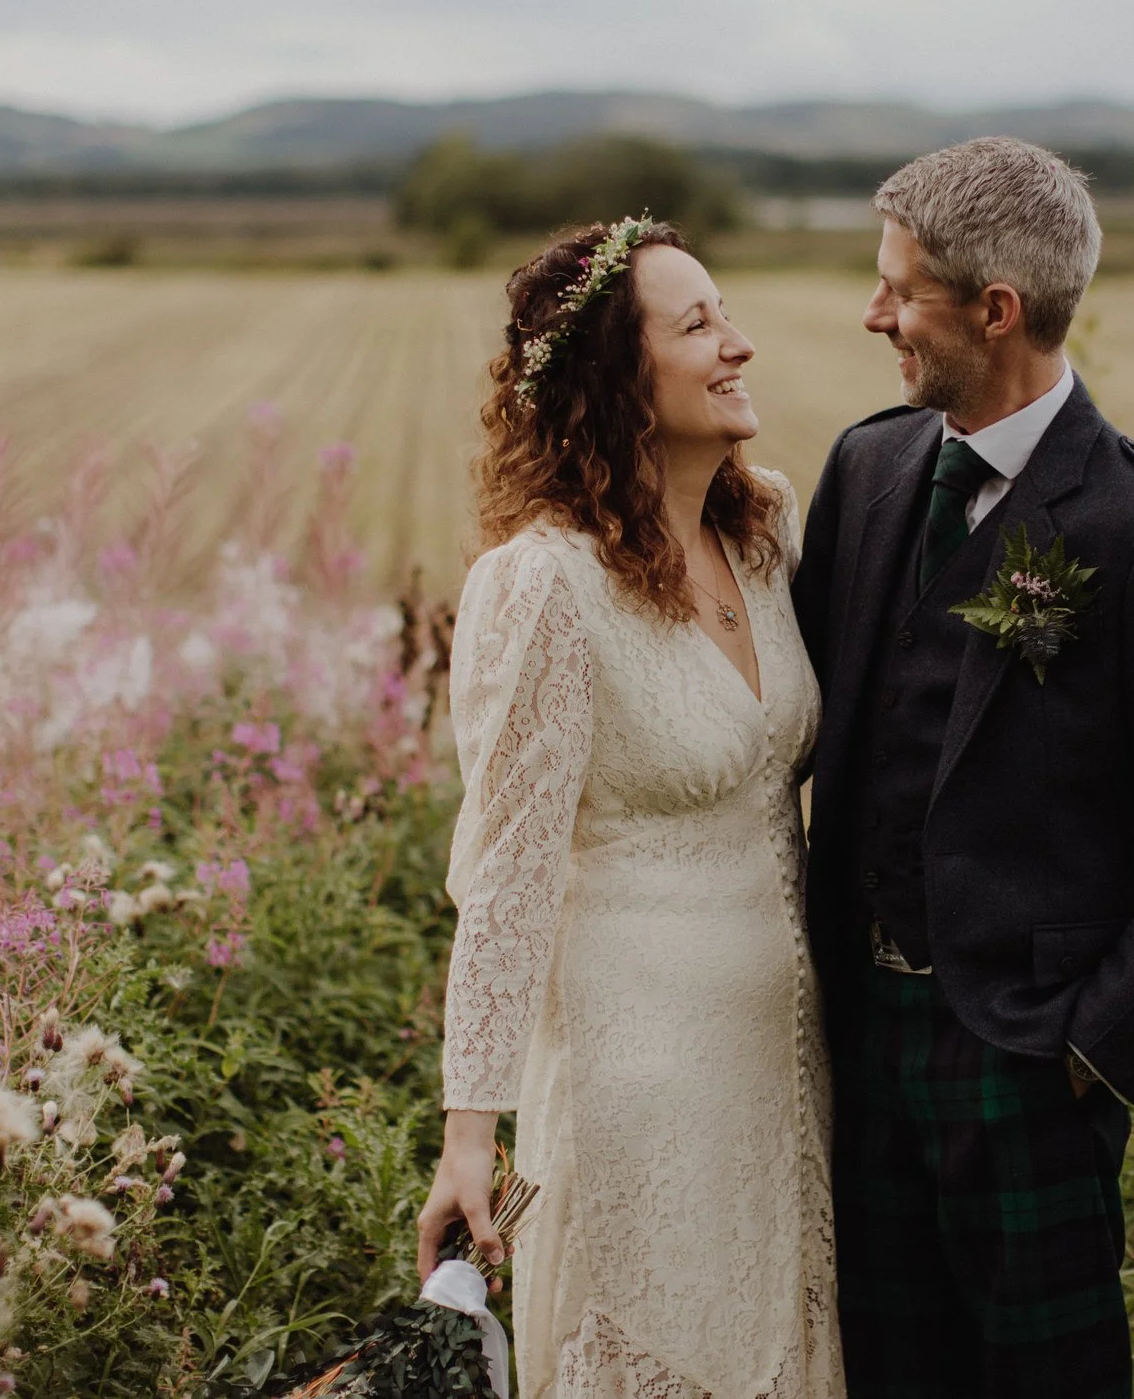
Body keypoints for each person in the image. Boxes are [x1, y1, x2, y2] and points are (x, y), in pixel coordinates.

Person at [792, 138, 1134, 1397]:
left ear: (994, 310)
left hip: (1027, 1064)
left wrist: (1091, 1049)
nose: (873, 314)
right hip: (858, 1046)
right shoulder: (865, 467)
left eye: (898, 291)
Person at [419, 218, 844, 1398]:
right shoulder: (543, 584)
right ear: (617, 375)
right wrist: (470, 1140)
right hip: (636, 1083)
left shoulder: (767, 534)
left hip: (792, 1071)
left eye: (727, 313)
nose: (737, 343)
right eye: (697, 323)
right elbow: (503, 879)